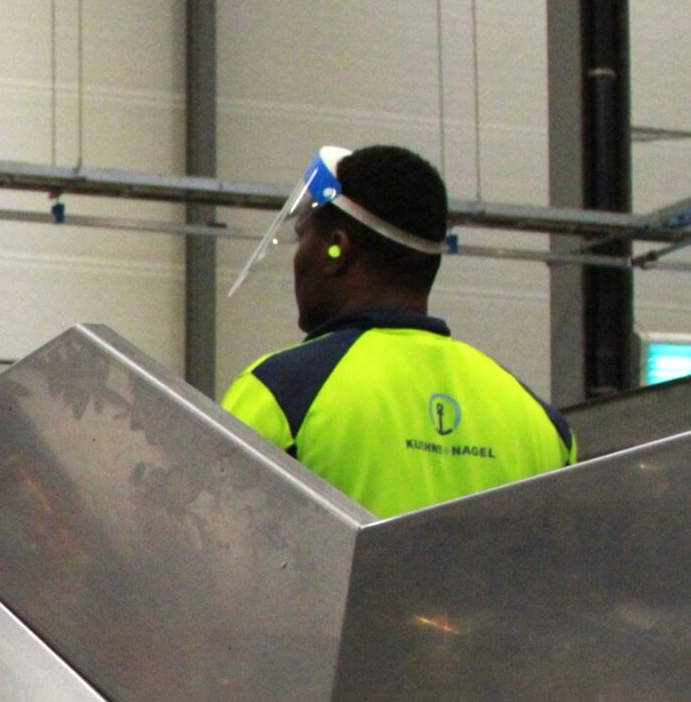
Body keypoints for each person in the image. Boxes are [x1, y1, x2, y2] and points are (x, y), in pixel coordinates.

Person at [219, 144, 574, 518]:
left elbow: (214, 539)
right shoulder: (542, 424)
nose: (297, 256)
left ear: (336, 249)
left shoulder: (278, 395)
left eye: (302, 236)